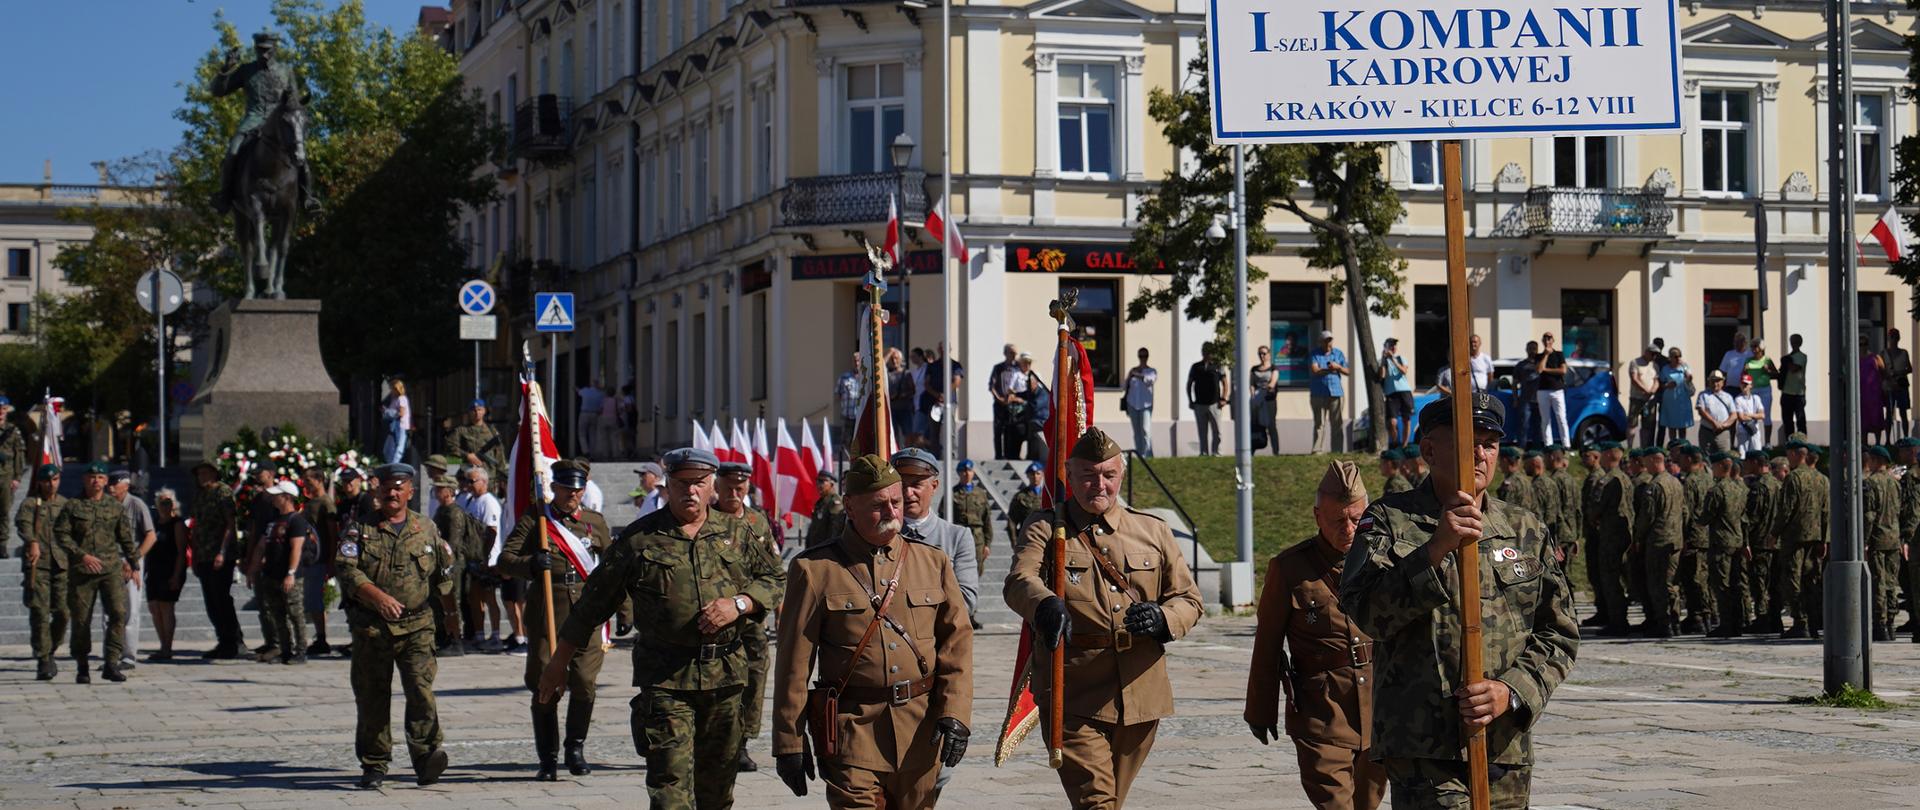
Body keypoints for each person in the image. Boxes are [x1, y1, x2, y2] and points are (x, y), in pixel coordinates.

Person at [1339, 393, 1579, 807]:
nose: (1481, 455)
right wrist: (1434, 550)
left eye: (1490, 444)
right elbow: (1367, 614)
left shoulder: (1525, 529)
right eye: (1469, 443)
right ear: (1429, 450)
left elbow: (1559, 634)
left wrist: (1511, 691)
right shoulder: (1389, 521)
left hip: (1503, 745)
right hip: (1424, 747)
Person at [537, 447, 783, 809]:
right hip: (666, 680)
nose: (690, 491)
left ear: (712, 484)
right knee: (670, 791)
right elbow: (592, 604)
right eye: (681, 483)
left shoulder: (739, 532)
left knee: (718, 791)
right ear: (667, 484)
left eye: (698, 483)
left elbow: (774, 579)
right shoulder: (640, 539)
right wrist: (559, 662)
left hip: (726, 678)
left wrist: (740, 604)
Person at [1005, 428, 1204, 810]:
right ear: (1069, 475)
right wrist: (1044, 604)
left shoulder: (1152, 530)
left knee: (1109, 801)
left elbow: (1188, 598)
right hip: (1073, 690)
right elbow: (1019, 580)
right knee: (1097, 802)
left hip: (1141, 691)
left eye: (1109, 475)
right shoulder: (1047, 527)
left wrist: (1163, 618)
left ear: (1121, 475)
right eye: (1088, 475)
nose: (1100, 485)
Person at [770, 454, 973, 807]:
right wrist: (789, 741)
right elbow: (794, 664)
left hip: (919, 732)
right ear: (850, 506)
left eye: (896, 502)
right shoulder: (814, 569)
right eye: (879, 505)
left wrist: (955, 712)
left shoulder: (933, 561)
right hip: (852, 732)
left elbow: (957, 645)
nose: (892, 512)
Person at [1245, 461, 1386, 810]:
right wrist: (1260, 711)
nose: (1348, 529)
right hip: (1322, 711)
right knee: (1335, 803)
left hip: (1379, 708)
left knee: (1368, 803)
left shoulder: (1384, 560)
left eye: (1356, 519)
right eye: (1338, 519)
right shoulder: (1290, 568)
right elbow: (1267, 644)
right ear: (1317, 516)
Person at [336, 463, 456, 789]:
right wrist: (377, 597)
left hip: (417, 626)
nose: (392, 493)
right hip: (373, 628)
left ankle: (426, 757)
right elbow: (346, 569)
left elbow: (444, 573)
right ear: (378, 490)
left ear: (410, 492)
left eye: (398, 488)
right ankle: (375, 763)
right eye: (387, 487)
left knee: (420, 690)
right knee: (372, 696)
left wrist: (450, 616)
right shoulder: (359, 529)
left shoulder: (426, 528)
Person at [499, 459, 613, 780]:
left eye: (577, 490)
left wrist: (626, 609)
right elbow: (505, 560)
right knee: (544, 684)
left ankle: (575, 748)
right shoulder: (536, 519)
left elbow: (614, 567)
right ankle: (547, 757)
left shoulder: (594, 522)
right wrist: (532, 564)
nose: (572, 495)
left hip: (586, 615)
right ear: (553, 488)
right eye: (565, 489)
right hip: (548, 613)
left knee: (585, 682)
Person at [707, 461, 783, 773]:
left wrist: (778, 610)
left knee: (755, 674)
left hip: (750, 614)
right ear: (717, 487)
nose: (734, 494)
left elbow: (773, 570)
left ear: (748, 487)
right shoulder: (706, 519)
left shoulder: (756, 522)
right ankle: (712, 738)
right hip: (715, 614)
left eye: (740, 488)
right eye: (728, 488)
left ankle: (742, 741)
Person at [210, 31, 320, 213]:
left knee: (300, 156)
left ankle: (307, 198)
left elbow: (293, 101)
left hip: (279, 123)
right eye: (260, 50)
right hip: (252, 121)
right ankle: (225, 196)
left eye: (267, 50)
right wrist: (225, 69)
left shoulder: (286, 71)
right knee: (233, 150)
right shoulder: (246, 70)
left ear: (275, 49)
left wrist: (297, 107)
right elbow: (217, 91)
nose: (263, 54)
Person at [56, 462, 136, 684]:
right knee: (82, 619)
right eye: (92, 477)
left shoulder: (114, 506)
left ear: (106, 481)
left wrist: (133, 562)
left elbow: (125, 537)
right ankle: (82, 665)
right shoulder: (73, 506)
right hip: (83, 571)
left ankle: (111, 663)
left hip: (110, 569)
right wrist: (81, 555)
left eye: (100, 477)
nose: (96, 481)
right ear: (84, 480)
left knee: (118, 613)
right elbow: (61, 534)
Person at [893, 449, 980, 623]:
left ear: (934, 486)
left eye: (916, 485)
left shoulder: (957, 537)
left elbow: (966, 601)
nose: (908, 493)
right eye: (902, 485)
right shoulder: (881, 534)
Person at [248, 480, 312, 664]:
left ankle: (301, 651)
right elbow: (261, 547)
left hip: (289, 576)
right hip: (271, 575)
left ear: (286, 497)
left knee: (295, 614)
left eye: (276, 495)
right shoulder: (273, 521)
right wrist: (253, 569)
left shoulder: (297, 520)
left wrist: (291, 573)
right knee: (278, 615)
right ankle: (285, 650)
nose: (273, 498)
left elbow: (296, 548)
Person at [1770, 437, 1828, 639]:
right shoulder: (1822, 479)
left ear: (1795, 454)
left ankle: (1800, 621)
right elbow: (1826, 511)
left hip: (1794, 538)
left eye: (1789, 454)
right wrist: (1825, 539)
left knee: (1792, 579)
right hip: (1815, 537)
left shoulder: (1793, 478)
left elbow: (1786, 510)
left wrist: (1774, 533)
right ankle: (1814, 621)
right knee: (1811, 579)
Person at [188, 462, 245, 659]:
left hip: (220, 555)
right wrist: (195, 555)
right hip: (204, 554)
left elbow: (230, 523)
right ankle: (224, 640)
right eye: (199, 474)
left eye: (205, 473)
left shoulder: (223, 491)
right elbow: (196, 525)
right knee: (211, 601)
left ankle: (234, 641)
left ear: (214, 474)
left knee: (221, 598)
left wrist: (222, 552)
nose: (201, 477)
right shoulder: (200, 495)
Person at [18, 463, 69, 679]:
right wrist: (32, 541)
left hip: (61, 565)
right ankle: (44, 658)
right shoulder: (30, 504)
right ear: (39, 482)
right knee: (39, 612)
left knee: (63, 613)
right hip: (37, 566)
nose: (51, 484)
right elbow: (23, 525)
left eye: (55, 480)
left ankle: (51, 648)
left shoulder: (65, 504)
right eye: (47, 481)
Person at [1632, 445, 1685, 637]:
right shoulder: (1676, 482)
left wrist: (1638, 537)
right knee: (1672, 583)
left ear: (1654, 460)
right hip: (1676, 539)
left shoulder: (1654, 486)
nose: (1644, 466)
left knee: (1657, 583)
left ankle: (1663, 623)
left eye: (1646, 462)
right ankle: (1675, 620)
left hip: (1659, 541)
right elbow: (1684, 511)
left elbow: (1647, 517)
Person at [1586, 443, 1635, 636]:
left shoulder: (1607, 480)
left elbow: (1595, 508)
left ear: (1607, 455)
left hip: (1610, 535)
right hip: (1624, 533)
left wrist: (1593, 518)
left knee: (1610, 579)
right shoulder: (1626, 478)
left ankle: (1618, 621)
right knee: (1622, 576)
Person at [429, 474, 480, 658]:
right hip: (441, 562)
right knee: (440, 601)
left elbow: (453, 543)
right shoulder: (442, 510)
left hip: (453, 564)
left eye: (440, 488)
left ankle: (456, 640)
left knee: (453, 601)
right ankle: (444, 636)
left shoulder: (454, 512)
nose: (436, 491)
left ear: (450, 491)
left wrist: (444, 561)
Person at [109, 470, 155, 667]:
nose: (111, 487)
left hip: (131, 560)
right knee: (109, 610)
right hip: (110, 560)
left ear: (126, 485)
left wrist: (133, 561)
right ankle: (111, 654)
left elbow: (150, 536)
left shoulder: (136, 504)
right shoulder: (106, 504)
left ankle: (128, 655)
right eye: (109, 484)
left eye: (115, 484)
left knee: (130, 609)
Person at [1702, 452, 1750, 637]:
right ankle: (1738, 622)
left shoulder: (1716, 490)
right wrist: (1745, 542)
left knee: (1721, 585)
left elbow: (1706, 517)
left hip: (1721, 542)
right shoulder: (1740, 488)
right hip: (1737, 541)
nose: (1712, 469)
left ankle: (1727, 624)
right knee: (1736, 584)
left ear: (1721, 466)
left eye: (1714, 466)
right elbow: (1745, 519)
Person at [1741, 452, 1784, 634]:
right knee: (1774, 583)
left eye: (1747, 462)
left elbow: (1752, 517)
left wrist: (1745, 540)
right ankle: (1775, 618)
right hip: (1776, 542)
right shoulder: (1779, 484)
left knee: (1760, 583)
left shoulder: (1759, 487)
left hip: (1760, 542)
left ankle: (1763, 619)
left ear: (1754, 463)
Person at [1863, 446, 1902, 642]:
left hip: (1877, 539)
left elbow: (1869, 515)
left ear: (1876, 460)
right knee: (1891, 583)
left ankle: (1881, 624)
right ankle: (1891, 623)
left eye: (1870, 459)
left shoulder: (1870, 483)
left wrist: (1864, 541)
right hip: (1893, 538)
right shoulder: (1895, 483)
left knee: (1878, 583)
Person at [144, 490, 189, 661]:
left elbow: (181, 551)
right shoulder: (154, 523)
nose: (165, 505)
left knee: (166, 606)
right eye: (162, 502)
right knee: (154, 607)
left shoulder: (177, 524)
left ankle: (167, 647)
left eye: (168, 502)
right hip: (154, 570)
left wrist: (176, 575)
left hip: (170, 569)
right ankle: (162, 644)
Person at [447, 400, 505, 489]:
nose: (477, 413)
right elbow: (450, 447)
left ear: (484, 411)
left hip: (489, 478)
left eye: (479, 409)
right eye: (473, 410)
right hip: (468, 478)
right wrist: (467, 456)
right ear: (469, 413)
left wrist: (502, 477)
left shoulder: (492, 431)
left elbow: (499, 454)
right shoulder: (461, 431)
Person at [951, 459, 994, 577]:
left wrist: (987, 544)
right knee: (958, 570)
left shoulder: (980, 494)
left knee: (977, 570)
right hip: (959, 535)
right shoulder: (952, 493)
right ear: (959, 473)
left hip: (977, 538)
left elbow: (987, 519)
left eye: (969, 471)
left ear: (973, 473)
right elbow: (944, 516)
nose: (967, 474)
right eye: (963, 471)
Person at [1309, 330, 1350, 454]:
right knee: (1319, 423)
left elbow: (1348, 371)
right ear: (1320, 342)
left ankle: (1337, 450)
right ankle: (1317, 450)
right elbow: (1315, 370)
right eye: (1326, 341)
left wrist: (1338, 367)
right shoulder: (1314, 354)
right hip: (1318, 393)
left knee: (1337, 423)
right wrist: (1329, 369)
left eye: (1330, 340)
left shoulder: (1338, 354)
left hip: (1336, 393)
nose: (1328, 343)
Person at [1188, 343, 1227, 456]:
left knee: (1217, 430)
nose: (1207, 353)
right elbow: (1189, 384)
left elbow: (1225, 383)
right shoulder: (1196, 367)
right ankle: (1204, 452)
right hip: (1200, 404)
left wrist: (1223, 398)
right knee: (1202, 431)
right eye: (1205, 351)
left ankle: (1217, 452)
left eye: (1209, 351)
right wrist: (1190, 400)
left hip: (1214, 403)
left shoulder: (1218, 366)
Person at [1536, 332, 1570, 447]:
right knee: (1545, 420)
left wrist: (1546, 370)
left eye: (1549, 338)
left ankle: (1566, 445)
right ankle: (1548, 445)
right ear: (1543, 341)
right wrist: (1546, 355)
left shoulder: (1559, 354)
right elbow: (1539, 370)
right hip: (1542, 390)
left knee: (1561, 418)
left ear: (1553, 340)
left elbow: (1563, 370)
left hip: (1557, 390)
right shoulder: (1539, 356)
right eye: (1545, 338)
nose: (1547, 340)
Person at [0, 397, 24, 559]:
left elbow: (18, 454)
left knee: (3, 511)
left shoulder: (13, 430)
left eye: (3, 409)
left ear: (7, 410)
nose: (0, 412)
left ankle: (2, 544)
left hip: (6, 476)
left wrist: (17, 477)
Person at [1123, 347, 1158, 457]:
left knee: (1145, 430)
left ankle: (1148, 454)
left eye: (1144, 356)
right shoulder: (1133, 370)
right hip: (1132, 404)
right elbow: (1125, 386)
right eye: (1141, 356)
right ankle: (1139, 454)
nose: (1143, 358)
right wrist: (1130, 376)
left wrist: (1138, 375)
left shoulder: (1151, 371)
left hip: (1146, 405)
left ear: (1147, 357)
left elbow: (1150, 381)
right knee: (1137, 432)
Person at [1380, 338, 1414, 448]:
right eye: (1391, 345)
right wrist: (1383, 359)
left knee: (1406, 419)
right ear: (1386, 347)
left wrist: (1393, 360)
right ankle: (1395, 444)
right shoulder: (1383, 361)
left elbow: (1404, 371)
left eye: (1395, 345)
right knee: (1392, 422)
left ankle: (1404, 445)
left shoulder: (1400, 358)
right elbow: (1382, 375)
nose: (1393, 347)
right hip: (1391, 393)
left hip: (1404, 391)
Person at [1743, 343, 1780, 446]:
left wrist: (1767, 371)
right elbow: (1744, 376)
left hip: (1765, 390)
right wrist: (1745, 371)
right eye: (1752, 347)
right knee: (1750, 415)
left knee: (1766, 416)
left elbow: (1776, 375)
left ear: (1761, 349)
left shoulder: (1767, 360)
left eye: (1756, 347)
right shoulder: (1748, 360)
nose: (1754, 349)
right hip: (1752, 390)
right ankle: (1751, 441)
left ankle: (1767, 443)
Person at [991, 344, 1024, 460]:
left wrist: (1012, 397)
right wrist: (999, 398)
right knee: (998, 430)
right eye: (1011, 353)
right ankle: (998, 455)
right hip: (999, 403)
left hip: (1012, 404)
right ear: (1005, 354)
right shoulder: (998, 368)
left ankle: (1008, 454)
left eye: (1015, 353)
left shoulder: (1018, 368)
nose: (1014, 355)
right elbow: (992, 386)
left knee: (1009, 430)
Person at [1658, 348, 1695, 446]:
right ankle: (1673, 445)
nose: (1678, 358)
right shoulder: (1665, 369)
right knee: (1672, 425)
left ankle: (1683, 445)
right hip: (1670, 400)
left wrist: (1686, 371)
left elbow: (1690, 378)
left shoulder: (1684, 366)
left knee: (1682, 426)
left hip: (1682, 398)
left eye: (1679, 356)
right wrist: (1667, 385)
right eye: (1675, 356)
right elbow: (1661, 384)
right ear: (1670, 358)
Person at [1629, 345, 1663, 448]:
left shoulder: (1655, 366)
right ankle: (1630, 447)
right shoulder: (1635, 363)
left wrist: (1653, 390)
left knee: (1647, 426)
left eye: (1656, 354)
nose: (1654, 356)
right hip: (1636, 398)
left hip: (1650, 400)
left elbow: (1656, 381)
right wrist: (1645, 390)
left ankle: (1644, 448)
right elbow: (1634, 379)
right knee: (1632, 423)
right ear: (1646, 352)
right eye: (1652, 354)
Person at [1694, 371, 1737, 452]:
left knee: (1724, 457)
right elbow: (1701, 411)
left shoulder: (1728, 397)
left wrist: (1723, 425)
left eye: (1718, 381)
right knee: (1706, 457)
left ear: (1722, 382)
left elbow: (1734, 415)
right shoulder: (1703, 395)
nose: (1715, 383)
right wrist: (1714, 423)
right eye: (1713, 381)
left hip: (1723, 433)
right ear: (1709, 382)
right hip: (1707, 432)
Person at [1251, 344, 1281, 455]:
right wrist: (1253, 395)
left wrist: (1265, 389)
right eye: (1260, 354)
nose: (1262, 356)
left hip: (1269, 400)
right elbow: (1252, 384)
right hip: (1256, 401)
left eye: (1264, 353)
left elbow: (1272, 383)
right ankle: (1252, 450)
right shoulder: (1254, 369)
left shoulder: (1274, 368)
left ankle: (1276, 452)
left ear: (1268, 354)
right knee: (1255, 425)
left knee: (1271, 426)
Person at [805, 472, 845, 552]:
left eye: (822, 481)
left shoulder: (834, 502)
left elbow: (836, 529)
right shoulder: (820, 503)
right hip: (815, 549)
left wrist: (830, 549)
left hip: (826, 550)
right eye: (818, 482)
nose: (819, 485)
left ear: (831, 484)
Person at [1779, 335, 1810, 438]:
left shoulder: (1802, 356)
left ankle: (1802, 441)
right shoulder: (1788, 357)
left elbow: (1794, 368)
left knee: (1800, 420)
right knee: (1787, 421)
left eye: (1796, 342)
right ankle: (1789, 441)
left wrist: (1786, 361)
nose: (1793, 344)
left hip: (1798, 394)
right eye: (1792, 341)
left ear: (1800, 343)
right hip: (1786, 392)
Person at [1007, 461, 1045, 540]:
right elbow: (1012, 521)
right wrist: (1014, 541)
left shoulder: (1048, 495)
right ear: (1027, 476)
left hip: (1045, 537)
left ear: (1042, 475)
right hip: (1027, 538)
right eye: (1032, 474)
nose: (1035, 476)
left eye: (1038, 473)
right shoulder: (1020, 496)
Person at [1863, 335, 1891, 443]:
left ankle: (1878, 442)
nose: (1862, 346)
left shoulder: (1875, 357)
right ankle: (1864, 443)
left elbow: (1884, 371)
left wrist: (1883, 384)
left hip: (1874, 393)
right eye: (1860, 344)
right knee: (1864, 418)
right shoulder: (1856, 358)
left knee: (1876, 418)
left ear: (1868, 344)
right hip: (1862, 393)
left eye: (1864, 344)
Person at [1887, 329, 1914, 439]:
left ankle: (1906, 437)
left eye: (1896, 337)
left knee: (1903, 413)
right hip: (1890, 386)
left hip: (1902, 385)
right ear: (1889, 338)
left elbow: (1910, 369)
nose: (1894, 339)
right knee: (1889, 413)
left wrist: (1899, 373)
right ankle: (1887, 439)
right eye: (1892, 337)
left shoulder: (1904, 353)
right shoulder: (1885, 353)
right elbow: (1882, 369)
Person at [382, 379, 412, 465]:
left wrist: (389, 412)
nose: (391, 391)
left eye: (392, 389)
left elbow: (401, 413)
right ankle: (390, 464)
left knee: (399, 447)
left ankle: (394, 464)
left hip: (400, 425)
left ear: (397, 389)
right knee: (388, 448)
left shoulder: (402, 399)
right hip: (393, 425)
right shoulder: (394, 399)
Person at [1730, 381, 1765, 454]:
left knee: (1757, 453)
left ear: (1751, 385)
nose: (1744, 386)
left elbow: (1762, 415)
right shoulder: (1738, 399)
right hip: (1742, 430)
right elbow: (1741, 417)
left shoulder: (1756, 398)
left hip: (1754, 429)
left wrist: (1749, 415)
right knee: (1742, 454)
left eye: (1746, 384)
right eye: (1742, 384)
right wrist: (1755, 416)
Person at [837, 351, 865, 442]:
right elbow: (839, 394)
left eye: (858, 361)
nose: (856, 363)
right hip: (847, 416)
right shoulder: (844, 377)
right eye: (854, 361)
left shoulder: (866, 378)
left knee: (860, 441)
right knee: (846, 442)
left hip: (861, 417)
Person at [576, 381, 606, 458]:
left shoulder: (585, 390)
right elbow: (602, 406)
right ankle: (592, 453)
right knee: (592, 434)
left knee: (582, 433)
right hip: (595, 414)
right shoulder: (601, 394)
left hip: (584, 413)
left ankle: (586, 451)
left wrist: (574, 387)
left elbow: (578, 392)